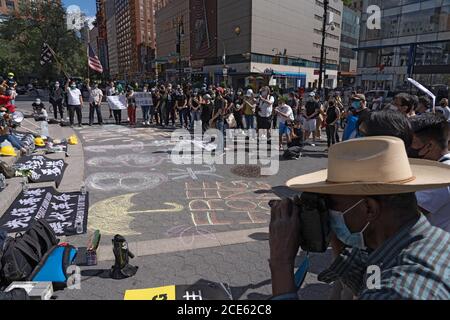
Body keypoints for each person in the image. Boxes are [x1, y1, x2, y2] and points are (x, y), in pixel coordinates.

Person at [270, 136, 450, 300]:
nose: (330, 213)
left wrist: (281, 263)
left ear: (369, 208)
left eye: (331, 205)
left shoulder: (395, 292)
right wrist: (329, 229)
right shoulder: (431, 241)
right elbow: (367, 285)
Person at [409, 113, 450, 232]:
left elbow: (407, 215)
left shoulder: (440, 176)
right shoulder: (442, 166)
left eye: (411, 141)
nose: (408, 146)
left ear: (429, 146)